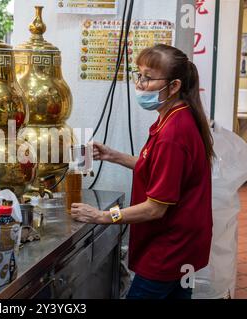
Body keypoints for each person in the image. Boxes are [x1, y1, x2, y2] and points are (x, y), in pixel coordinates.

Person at [70, 44, 214, 299]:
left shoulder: (174, 133)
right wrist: (113, 155)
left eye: (148, 78)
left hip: (170, 248)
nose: (139, 84)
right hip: (186, 244)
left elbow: (154, 208)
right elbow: (159, 168)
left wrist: (102, 216)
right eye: (139, 75)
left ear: (175, 86)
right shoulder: (173, 117)